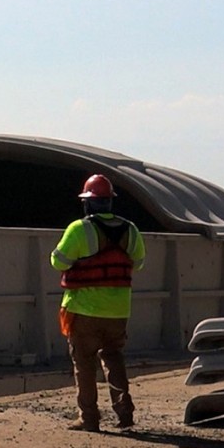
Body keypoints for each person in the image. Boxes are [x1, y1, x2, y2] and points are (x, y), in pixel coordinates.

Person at [50, 173, 146, 432]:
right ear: (110, 202)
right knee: (114, 358)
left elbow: (58, 261)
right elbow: (138, 263)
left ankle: (89, 418)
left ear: (88, 203)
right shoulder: (131, 230)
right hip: (118, 311)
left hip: (84, 310)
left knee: (84, 364)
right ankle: (124, 411)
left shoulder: (79, 229)